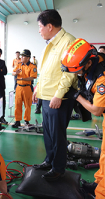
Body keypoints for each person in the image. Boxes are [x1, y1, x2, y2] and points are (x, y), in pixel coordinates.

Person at [61, 38, 105, 199]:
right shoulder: (95, 58)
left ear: (88, 63)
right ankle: (98, 184)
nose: (77, 73)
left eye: (77, 70)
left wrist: (76, 96)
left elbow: (97, 110)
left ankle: (104, 195)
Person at [32, 9, 77, 181]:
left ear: (49, 26)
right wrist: (38, 88)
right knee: (48, 133)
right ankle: (49, 160)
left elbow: (69, 73)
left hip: (58, 98)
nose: (39, 30)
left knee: (57, 134)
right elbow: (45, 70)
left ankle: (58, 168)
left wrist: (58, 95)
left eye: (40, 26)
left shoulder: (68, 42)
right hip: (46, 95)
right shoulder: (51, 43)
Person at [12, 49, 37, 128]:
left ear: (28, 58)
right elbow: (13, 72)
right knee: (17, 105)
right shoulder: (19, 65)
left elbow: (32, 77)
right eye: (22, 56)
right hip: (19, 87)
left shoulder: (32, 66)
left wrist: (23, 79)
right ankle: (17, 121)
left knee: (27, 105)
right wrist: (15, 73)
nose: (21, 57)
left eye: (23, 56)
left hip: (27, 88)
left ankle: (26, 120)